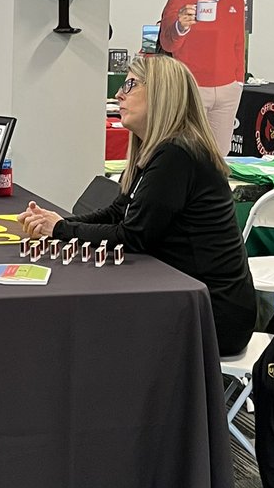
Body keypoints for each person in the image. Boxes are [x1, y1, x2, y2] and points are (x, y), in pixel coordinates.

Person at [18, 54, 257, 357]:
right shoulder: (164, 148)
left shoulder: (178, 153)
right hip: (191, 300)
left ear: (161, 92)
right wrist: (57, 224)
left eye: (130, 84)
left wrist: (62, 229)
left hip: (212, 316)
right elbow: (118, 211)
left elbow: (133, 236)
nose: (119, 94)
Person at [159, 0, 245, 156]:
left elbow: (238, 43)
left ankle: (214, 191)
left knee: (219, 156)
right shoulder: (179, 0)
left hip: (228, 90)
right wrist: (181, 26)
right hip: (191, 88)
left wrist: (238, 81)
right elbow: (166, 42)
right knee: (187, 152)